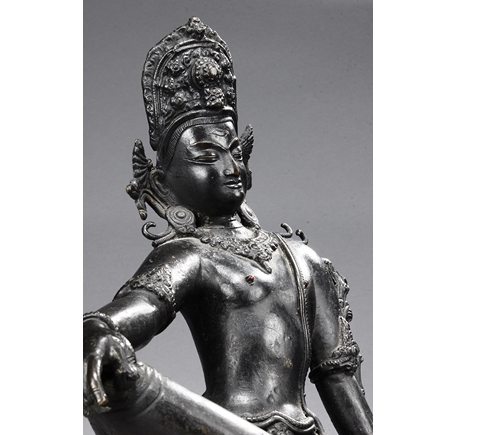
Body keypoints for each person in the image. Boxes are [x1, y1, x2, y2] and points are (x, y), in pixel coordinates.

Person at [83, 17, 372, 435]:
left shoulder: (304, 261)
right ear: (163, 182)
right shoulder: (192, 256)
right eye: (206, 156)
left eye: (235, 151)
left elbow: (339, 380)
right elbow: (144, 305)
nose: (230, 167)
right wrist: (99, 328)